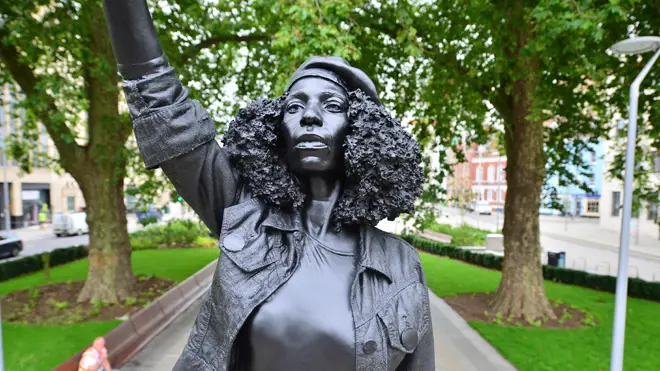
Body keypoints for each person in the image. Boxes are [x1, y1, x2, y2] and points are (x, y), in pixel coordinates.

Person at [101, 1, 435, 370]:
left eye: (332, 105)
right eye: (294, 107)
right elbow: (162, 103)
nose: (310, 115)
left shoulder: (401, 264)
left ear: (359, 134)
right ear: (277, 134)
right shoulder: (243, 214)